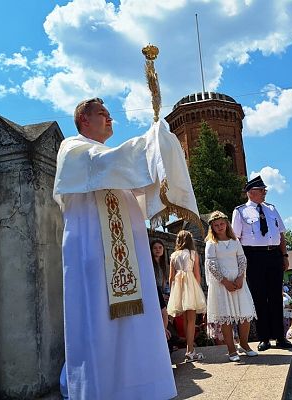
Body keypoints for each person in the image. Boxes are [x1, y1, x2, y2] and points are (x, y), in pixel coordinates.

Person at [53, 98, 200, 399]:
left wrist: (159, 153)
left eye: (109, 115)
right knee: (100, 323)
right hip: (93, 254)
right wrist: (150, 141)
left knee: (134, 325)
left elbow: (139, 184)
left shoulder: (109, 159)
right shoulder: (75, 150)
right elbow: (108, 164)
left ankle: (137, 388)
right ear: (83, 119)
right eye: (102, 114)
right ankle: (100, 390)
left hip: (127, 259)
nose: (109, 119)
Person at [231, 175, 292, 352]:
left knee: (275, 296)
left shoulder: (272, 209)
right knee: (259, 298)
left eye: (265, 190)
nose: (265, 193)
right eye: (261, 190)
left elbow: (281, 234)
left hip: (273, 255)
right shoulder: (240, 211)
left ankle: (280, 337)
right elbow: (236, 239)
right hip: (253, 257)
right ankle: (264, 338)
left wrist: (284, 255)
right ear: (251, 193)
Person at [204, 211, 258, 362]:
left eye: (222, 224)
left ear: (226, 224)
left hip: (238, 281)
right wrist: (224, 281)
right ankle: (231, 350)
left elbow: (242, 260)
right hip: (222, 285)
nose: (220, 227)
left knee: (245, 314)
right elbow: (211, 264)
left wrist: (241, 277)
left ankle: (245, 345)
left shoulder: (235, 241)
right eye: (216, 225)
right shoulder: (211, 243)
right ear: (212, 227)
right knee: (226, 318)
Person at [167, 230, 207, 362]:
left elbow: (171, 277)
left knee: (185, 319)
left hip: (179, 287)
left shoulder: (173, 255)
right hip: (190, 286)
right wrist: (198, 289)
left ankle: (190, 349)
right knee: (192, 319)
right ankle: (190, 351)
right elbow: (197, 274)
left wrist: (173, 292)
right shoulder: (192, 253)